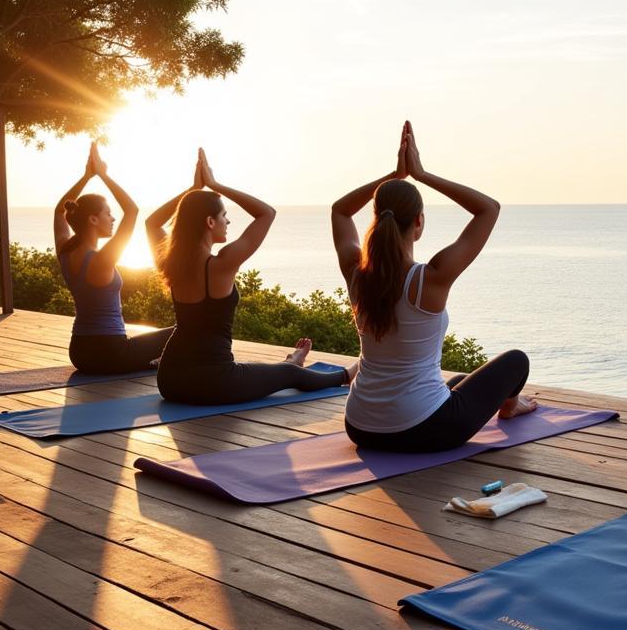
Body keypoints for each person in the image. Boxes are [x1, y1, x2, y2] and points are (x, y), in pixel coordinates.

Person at [332, 121, 536, 452]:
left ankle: (505, 402)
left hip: (360, 426)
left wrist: (394, 176)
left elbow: (339, 211)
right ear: (418, 222)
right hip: (422, 429)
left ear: (376, 218)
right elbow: (489, 209)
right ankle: (512, 406)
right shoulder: (431, 277)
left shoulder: (355, 271)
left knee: (456, 384)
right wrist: (421, 174)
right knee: (516, 362)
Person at [147, 149, 349, 404]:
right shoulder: (222, 263)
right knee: (289, 374)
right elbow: (266, 213)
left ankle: (291, 362)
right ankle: (346, 374)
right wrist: (214, 185)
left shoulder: (171, 264)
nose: (228, 222)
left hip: (170, 380)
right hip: (215, 382)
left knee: (269, 370)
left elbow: (152, 224)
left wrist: (192, 190)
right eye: (224, 216)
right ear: (210, 222)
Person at [54, 143, 174, 374]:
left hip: (79, 352)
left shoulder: (65, 252)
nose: (113, 218)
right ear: (92, 219)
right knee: (185, 329)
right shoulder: (101, 259)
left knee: (155, 351)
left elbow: (60, 211)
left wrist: (86, 177)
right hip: (110, 352)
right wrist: (102, 175)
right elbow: (132, 210)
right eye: (108, 214)